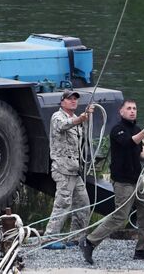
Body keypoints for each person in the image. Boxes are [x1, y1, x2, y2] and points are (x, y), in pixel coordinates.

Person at [80, 99, 144, 264]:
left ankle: (143, 249)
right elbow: (128, 142)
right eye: (129, 108)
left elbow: (139, 151)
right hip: (123, 182)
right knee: (120, 217)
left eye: (135, 108)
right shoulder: (118, 130)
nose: (132, 111)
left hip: (137, 180)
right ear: (121, 112)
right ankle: (89, 242)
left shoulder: (136, 129)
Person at [44, 90, 94, 248]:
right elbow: (63, 126)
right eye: (69, 99)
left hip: (74, 169)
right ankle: (49, 238)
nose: (73, 101)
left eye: (75, 99)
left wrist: (85, 119)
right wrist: (80, 119)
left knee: (83, 202)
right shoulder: (57, 117)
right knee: (63, 203)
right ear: (62, 102)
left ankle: (75, 237)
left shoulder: (76, 119)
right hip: (62, 168)